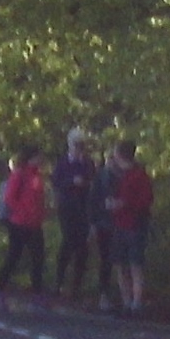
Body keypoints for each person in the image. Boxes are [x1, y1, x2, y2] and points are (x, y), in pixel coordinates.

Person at [0, 145, 48, 311]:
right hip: (19, 223)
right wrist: (22, 211)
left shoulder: (37, 176)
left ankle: (37, 294)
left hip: (34, 224)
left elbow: (38, 198)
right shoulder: (20, 174)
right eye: (38, 156)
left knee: (38, 258)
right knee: (13, 257)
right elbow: (9, 197)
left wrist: (41, 212)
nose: (41, 159)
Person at [105, 140, 154, 316]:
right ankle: (126, 302)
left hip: (135, 224)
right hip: (119, 223)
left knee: (135, 264)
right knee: (120, 263)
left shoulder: (139, 175)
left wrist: (123, 204)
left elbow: (145, 200)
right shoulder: (118, 175)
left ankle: (136, 303)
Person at [52, 128, 96, 298]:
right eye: (76, 145)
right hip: (67, 208)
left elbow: (92, 181)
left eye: (82, 145)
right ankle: (59, 281)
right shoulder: (63, 162)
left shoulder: (88, 163)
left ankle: (76, 287)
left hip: (83, 208)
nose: (79, 149)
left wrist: (84, 183)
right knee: (68, 242)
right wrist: (71, 182)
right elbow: (56, 182)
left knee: (82, 247)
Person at [87, 149, 119, 311]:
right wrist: (93, 223)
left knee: (120, 260)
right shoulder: (101, 176)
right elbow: (93, 200)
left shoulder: (124, 175)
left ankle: (120, 294)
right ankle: (104, 294)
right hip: (103, 223)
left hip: (119, 222)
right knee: (106, 259)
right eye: (110, 159)